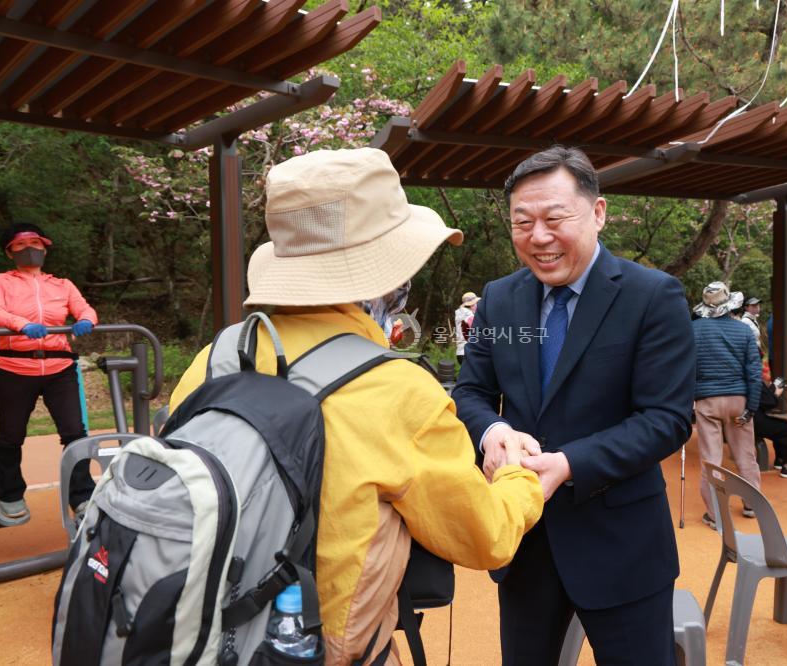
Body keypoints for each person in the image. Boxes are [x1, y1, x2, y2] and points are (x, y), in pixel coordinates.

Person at [169, 148, 543, 664]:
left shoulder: (217, 356)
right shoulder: (399, 390)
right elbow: (486, 538)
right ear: (389, 279)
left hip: (201, 636)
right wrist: (518, 478)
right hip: (318, 648)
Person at [453, 146, 695, 665]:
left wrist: (568, 465)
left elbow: (667, 419)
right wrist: (493, 430)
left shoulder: (652, 296)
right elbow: (470, 392)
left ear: (598, 213)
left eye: (554, 218)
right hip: (525, 536)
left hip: (621, 543)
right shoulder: (500, 298)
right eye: (523, 222)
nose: (538, 237)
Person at [0, 223, 98, 527]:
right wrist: (22, 325)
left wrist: (85, 320)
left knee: (75, 432)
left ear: (45, 247)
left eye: (35, 243)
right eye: (21, 245)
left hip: (59, 366)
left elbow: (85, 310)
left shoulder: (61, 284)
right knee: (11, 435)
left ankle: (83, 496)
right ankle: (9, 495)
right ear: (9, 252)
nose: (30, 249)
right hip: (15, 367)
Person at [692, 282, 763, 528]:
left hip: (707, 400)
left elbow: (686, 369)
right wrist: (751, 406)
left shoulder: (693, 330)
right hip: (738, 399)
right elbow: (754, 372)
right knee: (746, 455)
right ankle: (753, 505)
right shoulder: (744, 331)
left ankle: (715, 515)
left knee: (711, 459)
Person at [454, 291, 479, 365]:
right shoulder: (468, 315)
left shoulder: (460, 314)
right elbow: (478, 330)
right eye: (476, 303)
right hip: (468, 352)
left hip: (460, 352)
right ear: (472, 305)